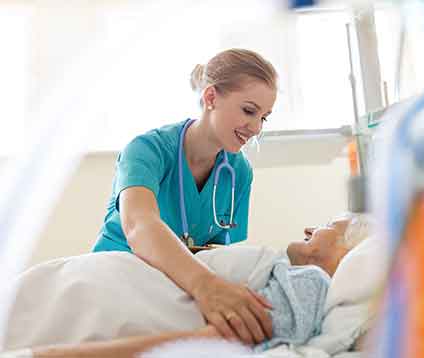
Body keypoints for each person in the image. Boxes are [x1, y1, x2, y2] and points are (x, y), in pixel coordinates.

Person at [91, 48, 278, 345]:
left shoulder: (238, 171)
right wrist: (206, 286)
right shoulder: (147, 150)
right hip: (118, 278)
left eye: (264, 118)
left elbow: (221, 253)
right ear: (211, 98)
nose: (255, 128)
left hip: (177, 289)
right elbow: (139, 225)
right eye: (248, 111)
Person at [3, 215, 371, 358]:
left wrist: (46, 356)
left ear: (354, 248)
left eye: (327, 223)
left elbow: (196, 345)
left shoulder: (310, 286)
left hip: (72, 308)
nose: (308, 227)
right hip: (68, 290)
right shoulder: (288, 274)